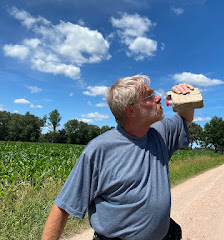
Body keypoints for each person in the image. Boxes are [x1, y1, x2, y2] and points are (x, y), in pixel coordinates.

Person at [41, 74, 195, 240]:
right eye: (149, 96)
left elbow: (185, 119)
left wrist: (184, 98)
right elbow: (63, 207)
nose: (158, 98)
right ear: (130, 110)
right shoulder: (100, 149)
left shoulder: (160, 133)